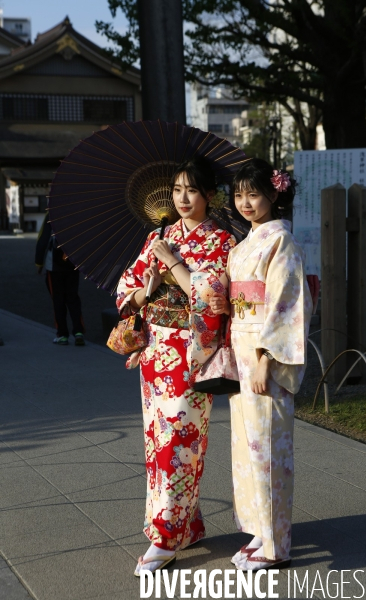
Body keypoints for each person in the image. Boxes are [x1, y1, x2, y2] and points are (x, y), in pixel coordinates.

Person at [116, 158, 236, 575]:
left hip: (190, 354)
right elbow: (126, 291)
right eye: (178, 190)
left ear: (209, 196)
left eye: (192, 190)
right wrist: (142, 289)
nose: (183, 199)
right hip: (154, 354)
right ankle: (187, 527)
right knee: (157, 446)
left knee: (178, 445)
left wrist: (172, 265)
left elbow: (212, 301)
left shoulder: (222, 242)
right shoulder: (158, 235)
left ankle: (164, 538)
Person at [210, 158, 313, 571]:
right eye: (238, 195)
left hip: (264, 353)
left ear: (275, 193)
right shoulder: (242, 246)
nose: (245, 203)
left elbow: (289, 304)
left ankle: (276, 546)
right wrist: (224, 304)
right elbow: (240, 300)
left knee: (268, 446)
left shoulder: (281, 243)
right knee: (246, 447)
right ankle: (258, 529)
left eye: (254, 194)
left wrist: (268, 360)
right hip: (240, 345)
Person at [35, 212, 85, 346]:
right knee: (73, 298)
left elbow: (43, 240)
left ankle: (62, 334)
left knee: (58, 300)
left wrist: (39, 262)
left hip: (54, 266)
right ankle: (78, 331)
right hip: (73, 264)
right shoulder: (75, 215)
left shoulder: (51, 214)